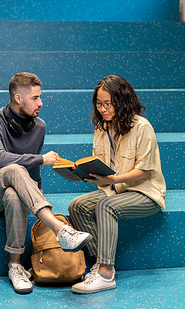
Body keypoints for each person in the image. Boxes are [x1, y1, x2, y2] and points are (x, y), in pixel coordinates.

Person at [0, 72, 93, 294]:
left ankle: (15, 266)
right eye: (35, 98)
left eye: (40, 97)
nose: (41, 103)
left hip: (13, 192)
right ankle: (60, 229)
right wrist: (40, 158)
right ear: (18, 98)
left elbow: (33, 175)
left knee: (14, 195)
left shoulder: (39, 126)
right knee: (14, 169)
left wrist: (38, 194)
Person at [68, 75, 166, 294]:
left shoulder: (142, 127)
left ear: (121, 101)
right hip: (113, 189)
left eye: (107, 104)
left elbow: (144, 170)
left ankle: (106, 273)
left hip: (145, 192)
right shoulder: (101, 128)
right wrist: (85, 171)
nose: (102, 109)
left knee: (106, 207)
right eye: (99, 104)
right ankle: (98, 262)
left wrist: (112, 180)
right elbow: (101, 164)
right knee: (77, 206)